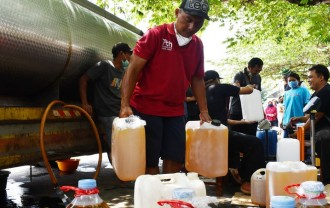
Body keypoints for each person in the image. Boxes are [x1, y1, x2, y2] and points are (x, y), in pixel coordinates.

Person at [118, 0, 212, 175]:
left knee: (175, 158)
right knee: (149, 160)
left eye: (198, 22)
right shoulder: (156, 35)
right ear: (177, 13)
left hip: (175, 110)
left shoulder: (197, 45)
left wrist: (204, 110)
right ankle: (151, 197)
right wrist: (124, 105)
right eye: (188, 19)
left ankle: (167, 198)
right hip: (146, 107)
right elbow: (133, 70)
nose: (192, 26)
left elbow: (197, 78)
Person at [204, 70, 265, 194]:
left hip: (204, 136)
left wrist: (242, 122)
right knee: (255, 143)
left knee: (236, 142)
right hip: (219, 135)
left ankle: (235, 173)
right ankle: (249, 180)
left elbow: (221, 120)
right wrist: (250, 85)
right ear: (215, 80)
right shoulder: (219, 87)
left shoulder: (199, 93)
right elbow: (248, 91)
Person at [289, 64, 330, 185]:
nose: (308, 80)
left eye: (310, 77)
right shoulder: (316, 94)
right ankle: (297, 174)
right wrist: (299, 119)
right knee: (290, 137)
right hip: (318, 127)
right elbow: (311, 115)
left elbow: (317, 117)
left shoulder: (327, 92)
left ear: (321, 78)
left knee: (322, 137)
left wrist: (300, 131)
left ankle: (328, 180)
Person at [79, 42, 132, 153]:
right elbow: (83, 79)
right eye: (128, 54)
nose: (130, 57)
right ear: (121, 54)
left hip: (119, 112)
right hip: (107, 113)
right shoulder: (105, 66)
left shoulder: (123, 71)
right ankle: (119, 167)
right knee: (117, 146)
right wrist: (85, 103)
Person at [228, 58, 264, 136]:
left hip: (252, 111)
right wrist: (247, 88)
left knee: (251, 136)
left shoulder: (258, 77)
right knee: (237, 137)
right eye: (256, 70)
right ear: (249, 67)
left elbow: (258, 94)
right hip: (238, 110)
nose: (257, 73)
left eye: (259, 71)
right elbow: (235, 89)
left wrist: (261, 110)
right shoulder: (239, 75)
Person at [281, 72, 310, 137]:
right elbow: (285, 107)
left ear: (298, 80)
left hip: (299, 121)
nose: (291, 82)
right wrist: (282, 120)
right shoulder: (286, 93)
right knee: (287, 141)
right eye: (289, 80)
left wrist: (305, 118)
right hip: (287, 121)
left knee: (299, 142)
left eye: (293, 80)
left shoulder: (304, 90)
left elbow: (307, 105)